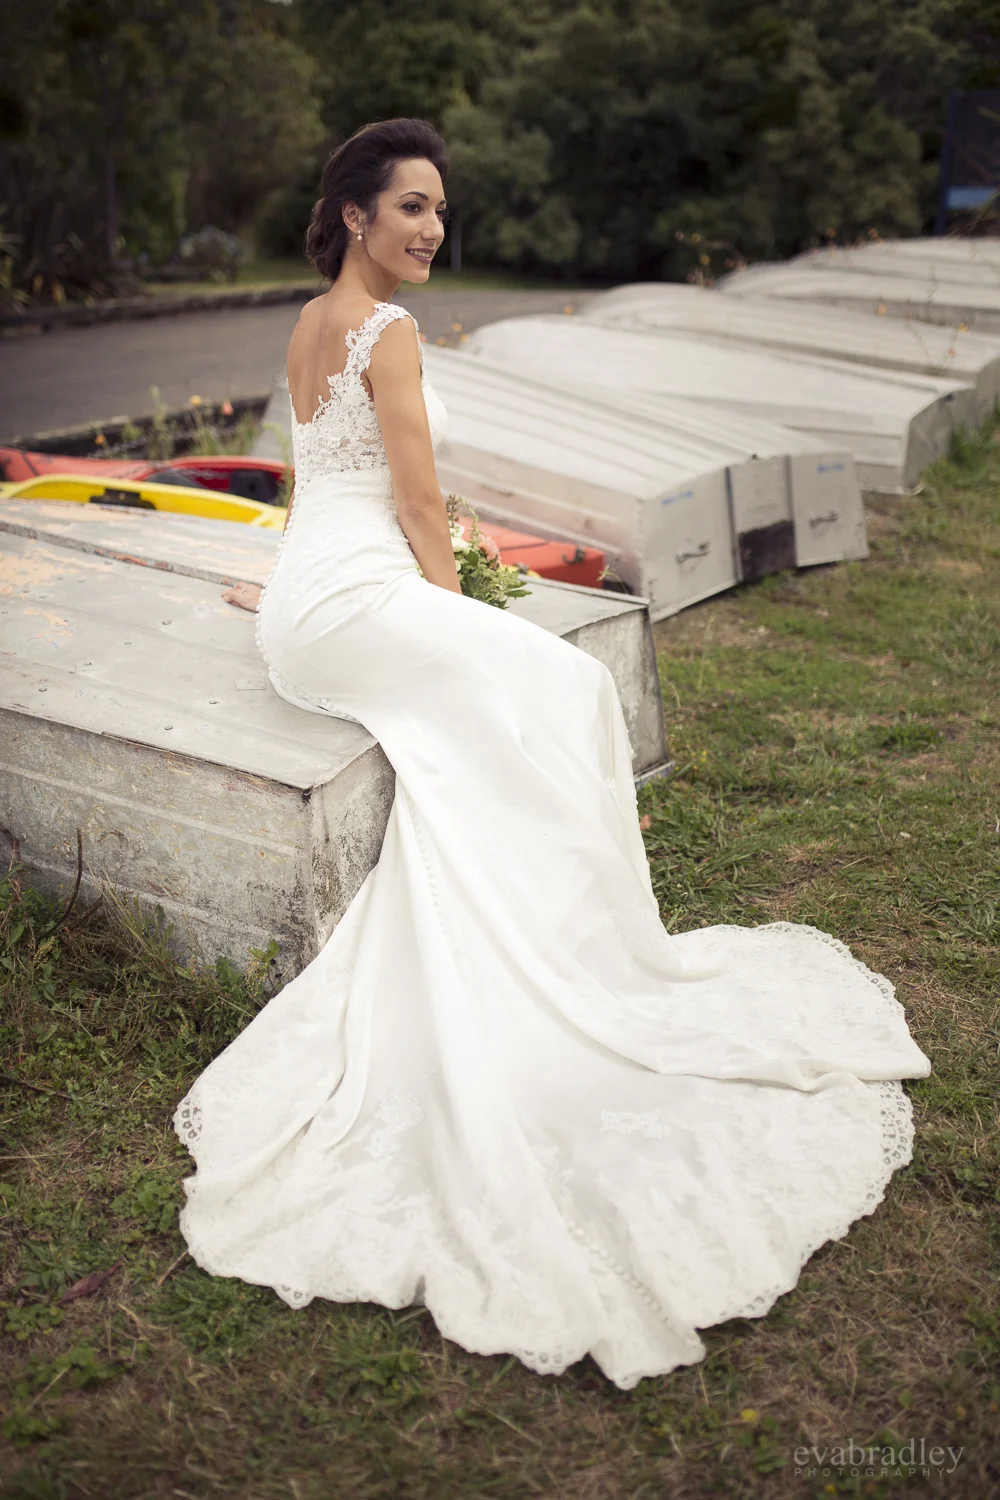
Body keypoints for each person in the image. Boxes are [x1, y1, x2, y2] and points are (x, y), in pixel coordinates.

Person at [173, 119, 930, 1391]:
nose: (430, 230)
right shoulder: (391, 332)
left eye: (440, 213)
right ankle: (591, 957)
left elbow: (317, 492)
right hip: (360, 598)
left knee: (492, 725)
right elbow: (415, 506)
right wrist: (456, 610)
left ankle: (535, 901)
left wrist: (293, 597)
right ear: (353, 212)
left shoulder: (310, 321)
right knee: (570, 681)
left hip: (312, 607)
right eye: (410, 207)